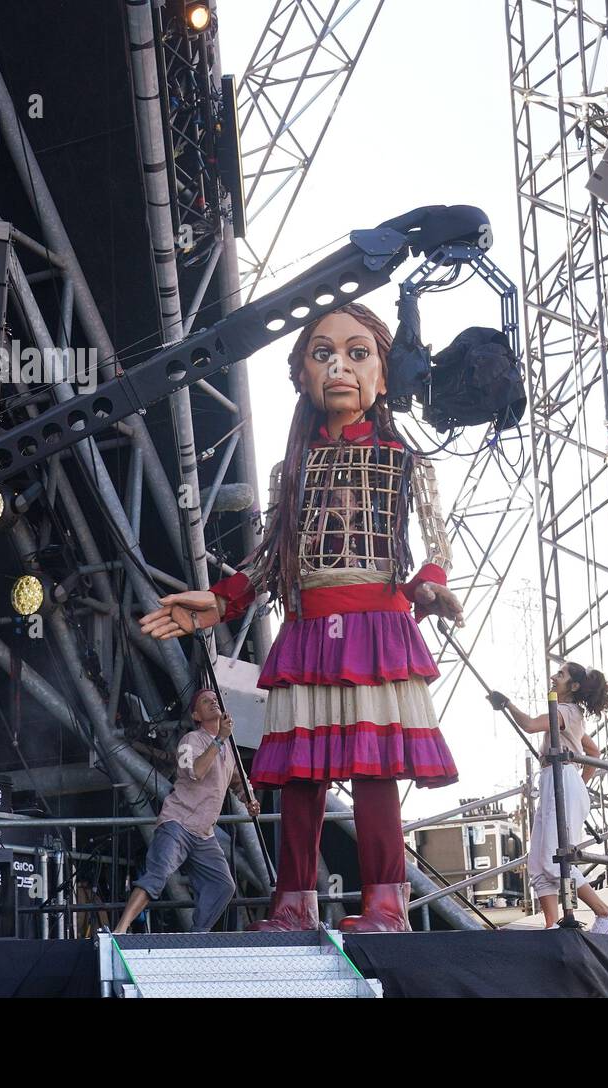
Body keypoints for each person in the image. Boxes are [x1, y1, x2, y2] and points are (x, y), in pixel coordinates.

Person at [139, 303, 464, 933]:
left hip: (377, 626)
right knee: (299, 777)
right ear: (302, 374)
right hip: (309, 628)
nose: (339, 365)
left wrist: (428, 589)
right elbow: (268, 561)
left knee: (373, 772)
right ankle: (293, 903)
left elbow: (437, 547)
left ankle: (386, 904)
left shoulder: (407, 462)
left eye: (357, 352)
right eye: (322, 353)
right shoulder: (291, 471)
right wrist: (221, 599)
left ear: (384, 373)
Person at [112, 689, 260, 934]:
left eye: (215, 699)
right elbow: (195, 772)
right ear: (196, 715)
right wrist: (219, 739)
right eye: (206, 701)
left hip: (204, 833)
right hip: (177, 823)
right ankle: (121, 928)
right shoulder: (189, 741)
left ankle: (198, 934)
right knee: (156, 876)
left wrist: (249, 801)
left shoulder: (229, 750)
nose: (213, 702)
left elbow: (238, 783)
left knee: (223, 884)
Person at [491, 663, 608, 934]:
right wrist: (581, 784)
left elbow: (529, 725)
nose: (553, 677)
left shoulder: (563, 711)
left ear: (573, 686)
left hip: (562, 780)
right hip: (557, 781)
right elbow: (593, 751)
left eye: (560, 675)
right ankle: (551, 927)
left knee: (554, 860)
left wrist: (508, 704)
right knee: (538, 863)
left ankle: (605, 913)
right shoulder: (572, 714)